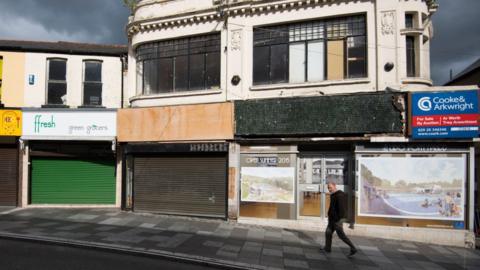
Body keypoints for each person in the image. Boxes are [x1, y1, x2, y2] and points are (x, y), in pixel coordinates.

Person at [319, 181, 357, 257]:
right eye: (328, 188)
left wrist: (338, 219)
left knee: (341, 235)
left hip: (337, 220)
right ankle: (327, 248)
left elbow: (342, 209)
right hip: (332, 219)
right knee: (328, 233)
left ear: (334, 186)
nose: (329, 189)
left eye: (330, 187)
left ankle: (353, 248)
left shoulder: (339, 195)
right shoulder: (333, 195)